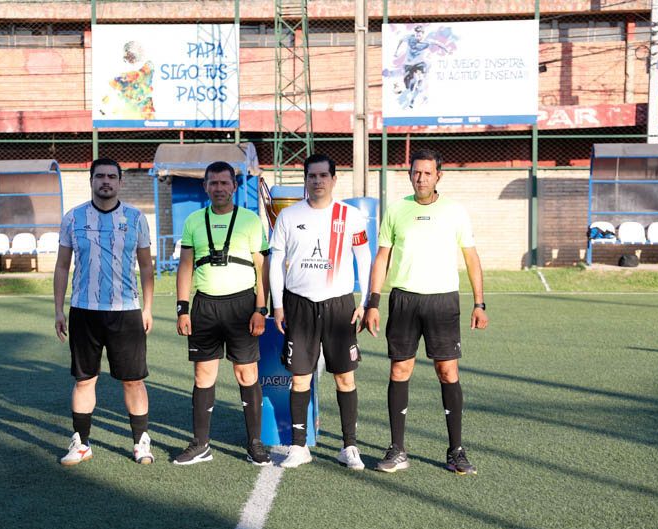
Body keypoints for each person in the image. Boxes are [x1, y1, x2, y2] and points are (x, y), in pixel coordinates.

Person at [362, 148, 488, 475]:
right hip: (404, 300)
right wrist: (372, 303)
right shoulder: (395, 210)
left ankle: (456, 451)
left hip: (443, 301)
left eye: (428, 173)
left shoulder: (455, 211)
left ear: (438, 176)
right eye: (416, 173)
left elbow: (472, 258)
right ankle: (397, 449)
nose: (421, 178)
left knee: (448, 372)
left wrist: (479, 303)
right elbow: (381, 258)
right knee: (399, 371)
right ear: (410, 175)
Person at [269, 153, 372, 470]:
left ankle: (349, 447)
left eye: (323, 176)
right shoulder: (288, 216)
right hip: (298, 304)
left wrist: (365, 301)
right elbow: (276, 261)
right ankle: (299, 447)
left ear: (333, 179)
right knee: (299, 378)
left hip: (339, 305)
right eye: (311, 176)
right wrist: (277, 304)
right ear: (306, 180)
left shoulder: (350, 216)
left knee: (345, 377)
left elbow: (364, 258)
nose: (317, 181)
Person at [53, 157, 155, 466]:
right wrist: (59, 309)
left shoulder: (136, 218)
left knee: (133, 380)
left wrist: (148, 308)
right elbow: (61, 265)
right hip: (84, 310)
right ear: (91, 181)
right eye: (100, 176)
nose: (106, 181)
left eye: (111, 176)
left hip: (126, 311)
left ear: (120, 182)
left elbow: (146, 266)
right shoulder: (73, 218)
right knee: (85, 380)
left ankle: (140, 442)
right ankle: (81, 443)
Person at [173, 161, 272, 467]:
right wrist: (182, 308)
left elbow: (261, 267)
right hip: (205, 306)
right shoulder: (193, 221)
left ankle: (254, 443)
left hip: (242, 306)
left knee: (246, 373)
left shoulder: (250, 220)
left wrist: (260, 308)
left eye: (224, 183)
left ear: (234, 186)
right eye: (213, 183)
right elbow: (185, 266)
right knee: (204, 375)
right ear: (205, 187)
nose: (219, 188)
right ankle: (201, 444)